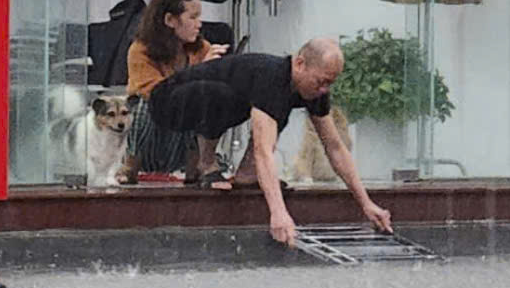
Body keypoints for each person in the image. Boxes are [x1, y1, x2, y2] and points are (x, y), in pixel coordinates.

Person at [146, 39, 395, 247]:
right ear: (300, 64)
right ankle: (207, 164)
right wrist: (278, 212)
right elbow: (264, 151)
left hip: (203, 101)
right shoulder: (271, 76)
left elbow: (335, 147)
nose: (323, 90)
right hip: (166, 100)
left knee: (273, 111)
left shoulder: (313, 90)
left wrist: (366, 203)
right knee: (233, 100)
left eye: (330, 83)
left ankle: (246, 174)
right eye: (321, 81)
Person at [122, 0, 217, 182]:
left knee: (208, 100)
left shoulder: (202, 49)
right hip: (149, 141)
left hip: (181, 144)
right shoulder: (140, 50)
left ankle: (198, 168)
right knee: (144, 105)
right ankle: (129, 167)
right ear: (170, 20)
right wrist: (200, 72)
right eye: (193, 17)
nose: (199, 24)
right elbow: (157, 94)